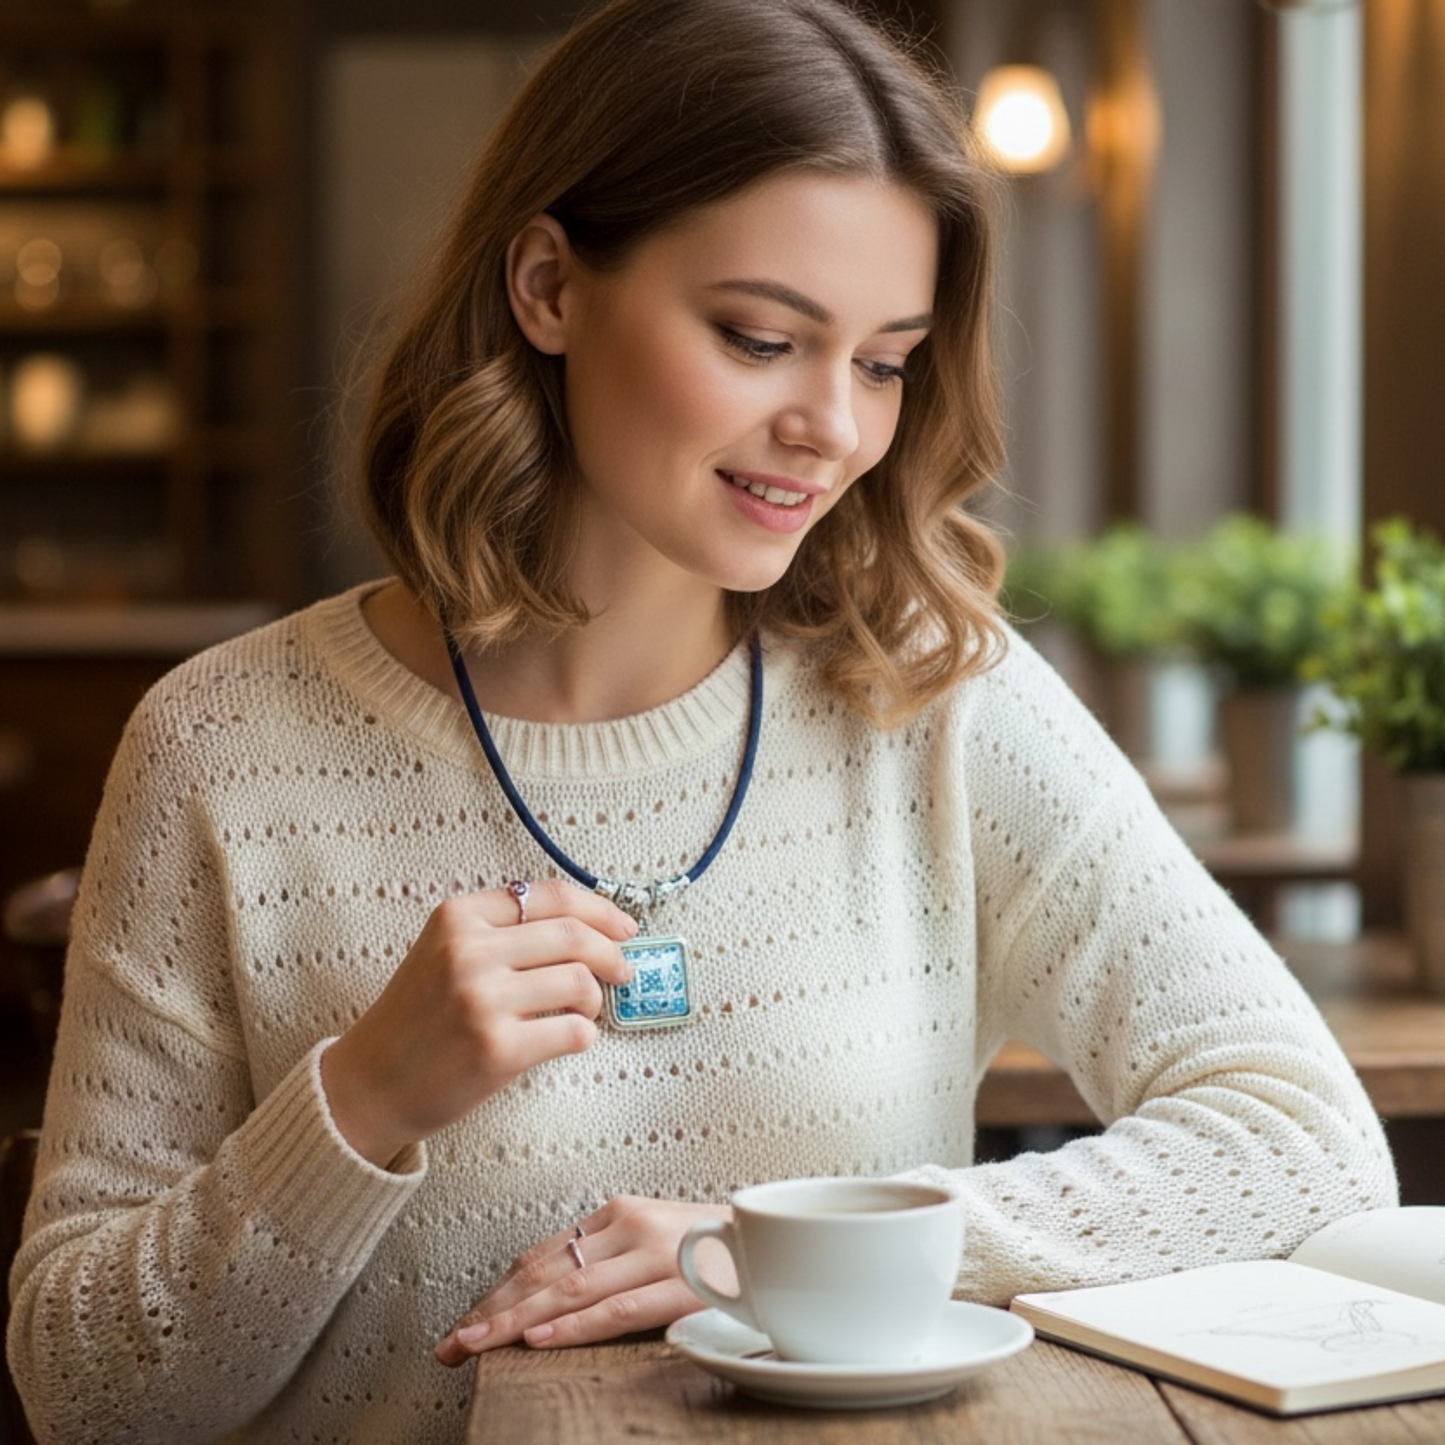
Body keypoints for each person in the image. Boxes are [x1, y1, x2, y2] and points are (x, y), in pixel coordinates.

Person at [7, 0, 1394, 1440]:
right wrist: (359, 1101)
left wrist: (764, 1241)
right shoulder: (221, 746)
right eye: (759, 337)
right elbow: (85, 1393)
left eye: (881, 360)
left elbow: (1301, 1138)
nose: (836, 428)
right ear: (547, 285)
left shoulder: (934, 703)